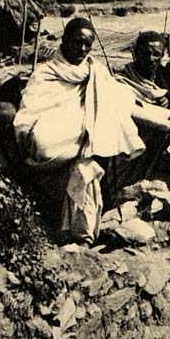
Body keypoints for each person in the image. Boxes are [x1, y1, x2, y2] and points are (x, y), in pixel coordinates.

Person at [13, 16, 145, 242]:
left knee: (86, 170)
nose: (83, 49)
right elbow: (30, 114)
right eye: (78, 42)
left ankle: (83, 237)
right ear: (64, 40)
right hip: (58, 140)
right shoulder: (46, 73)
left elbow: (121, 100)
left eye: (88, 44)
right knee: (43, 144)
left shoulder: (96, 71)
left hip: (86, 144)